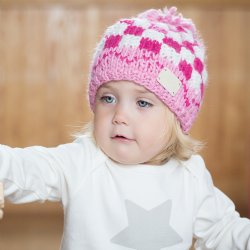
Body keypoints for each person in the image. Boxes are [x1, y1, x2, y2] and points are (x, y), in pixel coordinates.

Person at [0, 6, 249, 250]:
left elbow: (223, 231)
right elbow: (23, 168)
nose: (119, 115)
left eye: (142, 103)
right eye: (108, 98)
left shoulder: (190, 176)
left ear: (176, 119)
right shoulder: (82, 161)